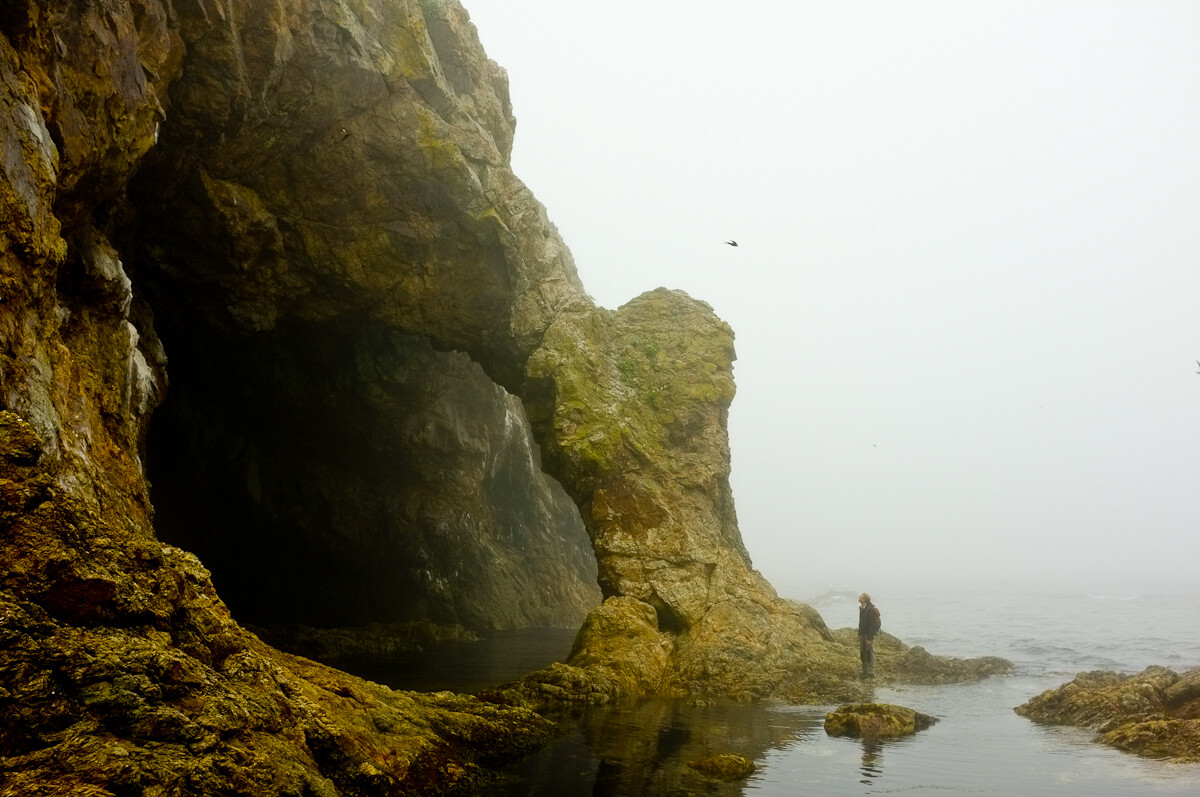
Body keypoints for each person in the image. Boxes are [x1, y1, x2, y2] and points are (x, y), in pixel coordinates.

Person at [858, 592, 881, 678]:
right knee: (862, 652)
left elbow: (871, 625)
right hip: (862, 634)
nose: (859, 597)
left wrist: (869, 638)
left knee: (869, 653)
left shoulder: (870, 610)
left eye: (861, 596)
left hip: (868, 635)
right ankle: (864, 671)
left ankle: (870, 672)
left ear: (864, 599)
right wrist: (859, 634)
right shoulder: (862, 608)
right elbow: (861, 623)